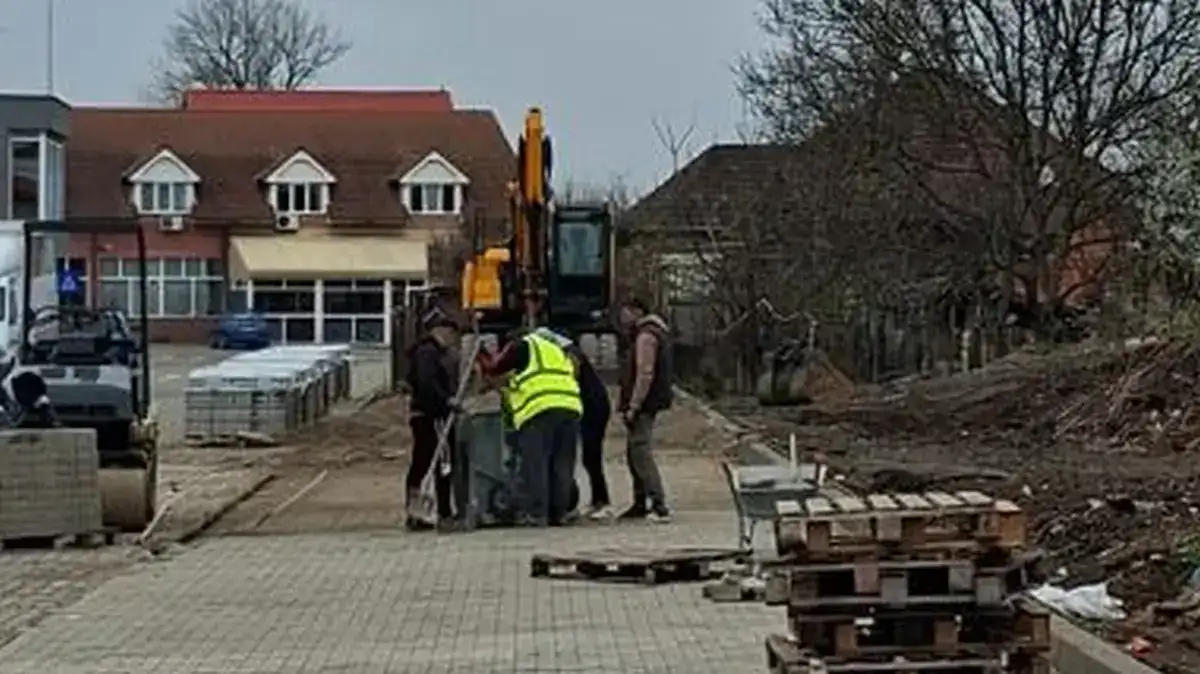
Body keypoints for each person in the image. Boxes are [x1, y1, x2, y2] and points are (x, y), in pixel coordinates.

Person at [480, 328, 583, 526]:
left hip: (540, 410)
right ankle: (559, 513)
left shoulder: (522, 345)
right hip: (570, 407)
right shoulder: (555, 349)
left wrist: (482, 356)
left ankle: (536, 514)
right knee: (562, 463)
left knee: (535, 463)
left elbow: (495, 367)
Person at [533, 327, 614, 520]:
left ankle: (603, 501)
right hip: (585, 405)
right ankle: (596, 500)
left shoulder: (570, 354)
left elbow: (572, 374)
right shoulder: (569, 352)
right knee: (586, 457)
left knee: (591, 456)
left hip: (593, 406)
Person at [616, 297, 674, 523]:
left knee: (640, 453)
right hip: (648, 402)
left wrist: (634, 405)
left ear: (636, 312)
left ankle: (658, 504)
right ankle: (639, 503)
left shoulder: (646, 336)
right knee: (633, 453)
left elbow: (644, 372)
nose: (622, 318)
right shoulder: (655, 332)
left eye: (625, 312)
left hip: (644, 404)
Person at [404, 311, 461, 532]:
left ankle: (421, 511)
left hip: (426, 414)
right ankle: (439, 511)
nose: (452, 339)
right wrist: (446, 400)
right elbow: (427, 382)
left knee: (426, 462)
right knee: (439, 463)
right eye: (451, 333)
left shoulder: (426, 352)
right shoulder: (428, 353)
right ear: (441, 331)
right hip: (432, 415)